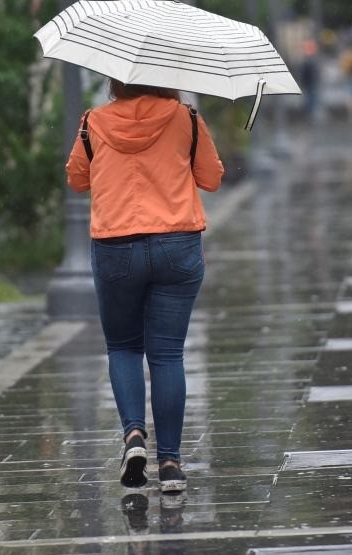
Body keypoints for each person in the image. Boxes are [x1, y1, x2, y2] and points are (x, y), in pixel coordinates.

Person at [66, 79, 224, 494]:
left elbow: (77, 180)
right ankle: (170, 463)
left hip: (116, 246)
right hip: (177, 243)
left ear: (116, 79)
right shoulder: (185, 118)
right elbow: (211, 178)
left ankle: (133, 436)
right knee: (167, 354)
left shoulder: (93, 122)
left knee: (123, 347)